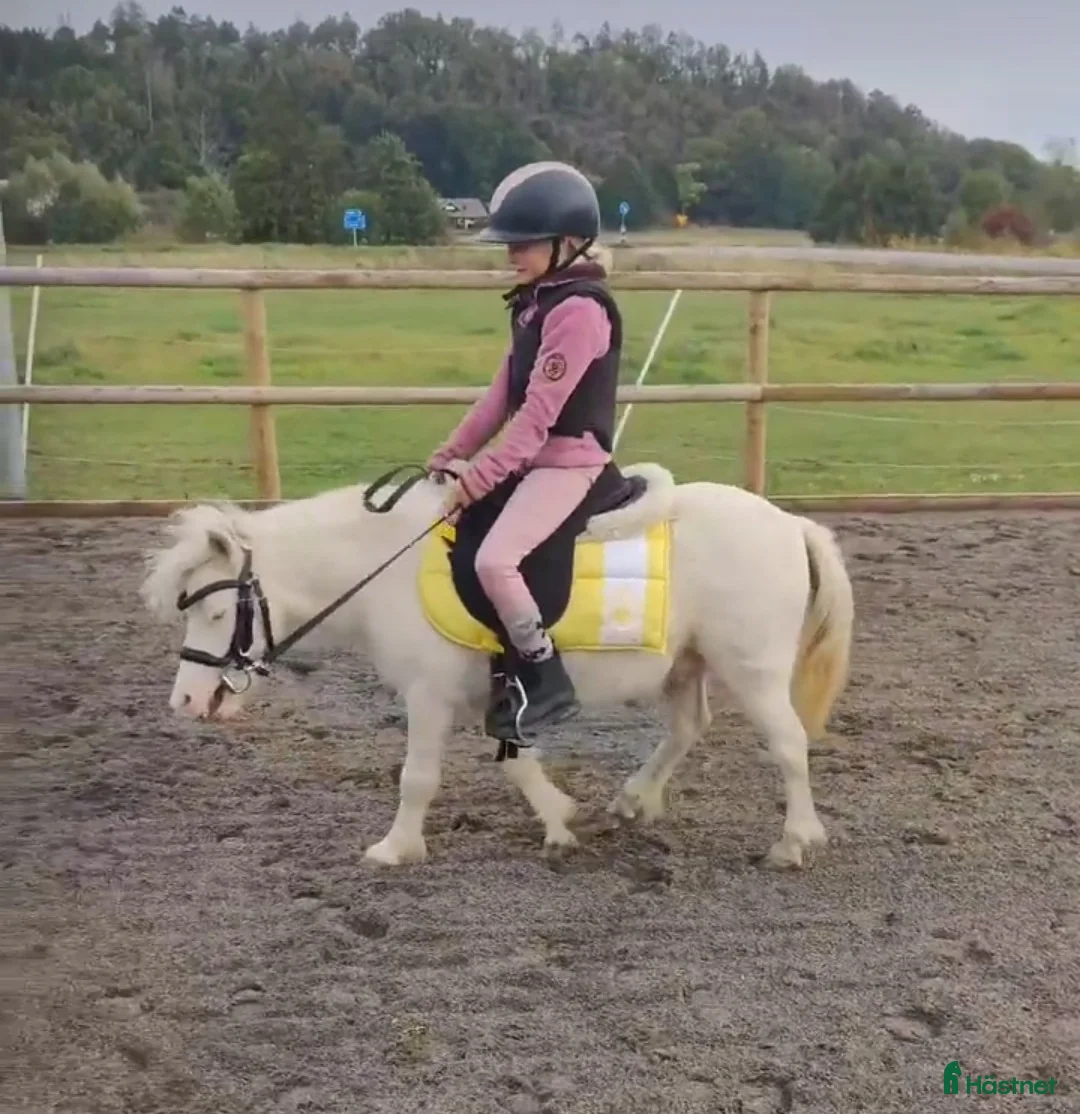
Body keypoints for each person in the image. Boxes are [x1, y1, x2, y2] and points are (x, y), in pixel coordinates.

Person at [426, 160, 624, 737]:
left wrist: (478, 476)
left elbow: (535, 420)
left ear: (567, 242)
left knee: (495, 558)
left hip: (570, 461)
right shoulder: (536, 304)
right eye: (508, 243)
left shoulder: (580, 312)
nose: (512, 254)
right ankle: (498, 669)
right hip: (536, 458)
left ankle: (545, 675)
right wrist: (449, 452)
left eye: (524, 243)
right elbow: (497, 399)